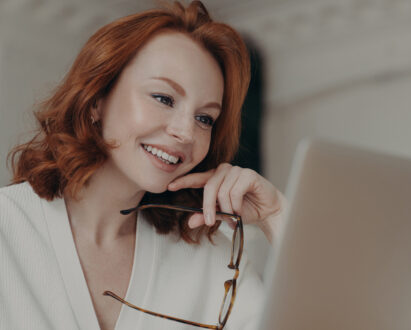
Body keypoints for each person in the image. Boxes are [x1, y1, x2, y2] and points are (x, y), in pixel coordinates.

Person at [0, 1, 286, 329]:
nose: (185, 132)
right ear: (97, 100)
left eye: (205, 118)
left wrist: (276, 216)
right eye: (164, 98)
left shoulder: (212, 257)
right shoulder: (7, 230)